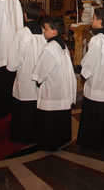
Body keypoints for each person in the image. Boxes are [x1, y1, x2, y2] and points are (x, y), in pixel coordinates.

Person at [32, 17, 77, 151]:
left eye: (45, 29)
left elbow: (42, 69)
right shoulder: (62, 44)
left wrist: (38, 78)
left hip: (52, 87)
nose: (43, 32)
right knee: (60, 115)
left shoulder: (50, 47)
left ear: (54, 31)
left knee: (50, 117)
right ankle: (61, 139)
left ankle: (49, 143)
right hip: (61, 86)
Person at [7, 2, 46, 144]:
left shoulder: (23, 33)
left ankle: (22, 136)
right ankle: (36, 135)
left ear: (25, 15)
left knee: (24, 108)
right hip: (40, 78)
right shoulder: (44, 32)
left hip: (25, 77)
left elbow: (14, 60)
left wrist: (11, 68)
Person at [77, 8, 104, 150]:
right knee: (103, 115)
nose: (91, 20)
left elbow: (91, 61)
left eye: (93, 18)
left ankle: (91, 142)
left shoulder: (97, 39)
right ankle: (102, 141)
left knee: (94, 116)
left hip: (97, 83)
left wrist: (83, 73)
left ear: (100, 21)